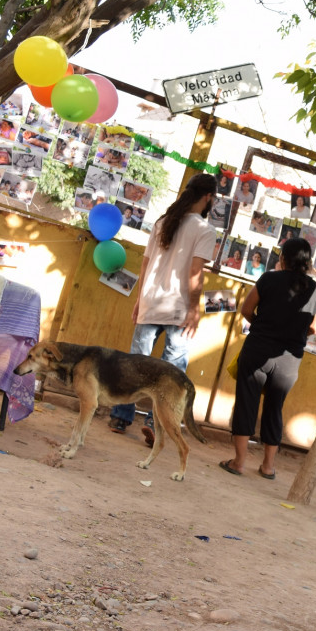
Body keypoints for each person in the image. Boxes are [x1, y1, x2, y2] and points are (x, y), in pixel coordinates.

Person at [108, 173, 218, 444]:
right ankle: (157, 427)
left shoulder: (162, 222)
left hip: (151, 302)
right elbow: (195, 272)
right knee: (172, 372)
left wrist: (139, 300)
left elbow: (145, 265)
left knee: (136, 363)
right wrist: (194, 309)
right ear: (208, 198)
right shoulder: (204, 229)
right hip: (178, 308)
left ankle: (120, 418)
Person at [219, 237, 316, 479]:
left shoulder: (268, 278)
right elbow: (314, 329)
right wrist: (291, 334)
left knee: (247, 403)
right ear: (307, 262)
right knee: (275, 409)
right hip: (289, 359)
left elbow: (246, 310)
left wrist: (264, 328)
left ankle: (239, 462)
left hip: (257, 349)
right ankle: (267, 467)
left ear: (283, 258)